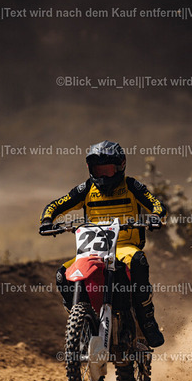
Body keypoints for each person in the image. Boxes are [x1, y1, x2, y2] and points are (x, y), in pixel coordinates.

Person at [39, 140, 166, 347]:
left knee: (138, 261)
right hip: (92, 251)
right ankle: (82, 319)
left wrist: (156, 216)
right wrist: (47, 220)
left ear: (120, 166)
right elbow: (55, 205)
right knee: (63, 274)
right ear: (91, 169)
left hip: (124, 248)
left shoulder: (131, 186)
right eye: (99, 170)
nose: (103, 176)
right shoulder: (86, 189)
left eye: (108, 170)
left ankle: (147, 319)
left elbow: (156, 204)